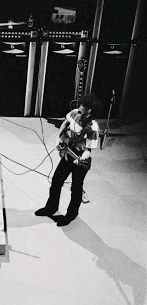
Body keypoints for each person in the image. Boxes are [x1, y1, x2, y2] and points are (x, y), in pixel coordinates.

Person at [35, 94, 100, 226]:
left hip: (80, 158)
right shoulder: (75, 113)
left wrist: (80, 159)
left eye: (84, 112)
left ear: (90, 111)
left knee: (76, 188)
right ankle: (51, 208)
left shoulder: (93, 127)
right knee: (56, 180)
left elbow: (89, 150)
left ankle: (71, 215)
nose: (80, 114)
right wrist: (59, 138)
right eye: (80, 110)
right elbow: (66, 123)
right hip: (68, 152)